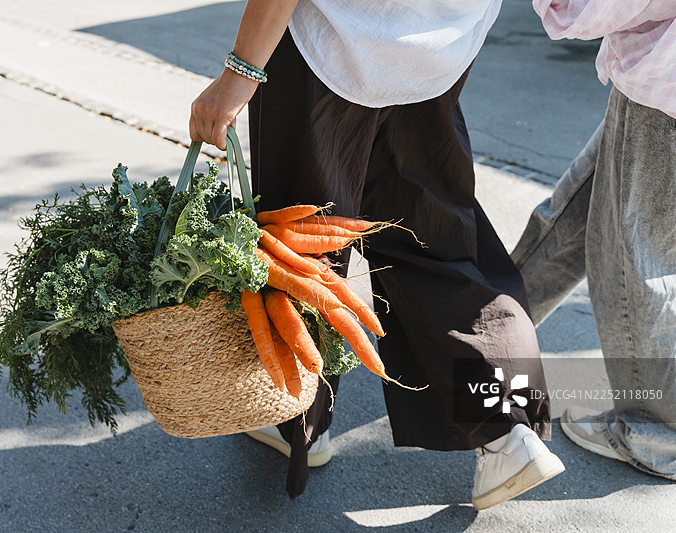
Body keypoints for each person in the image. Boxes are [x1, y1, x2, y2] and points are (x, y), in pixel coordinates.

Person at [190, 0, 564, 507]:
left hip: (330, 46)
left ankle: (302, 423)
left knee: (304, 244)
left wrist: (241, 70)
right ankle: (507, 428)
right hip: (438, 43)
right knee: (435, 241)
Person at [512, 1, 676, 480]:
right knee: (576, 211)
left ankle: (656, 433)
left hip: (666, 85)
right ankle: (483, 339)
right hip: (660, 73)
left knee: (633, 258)